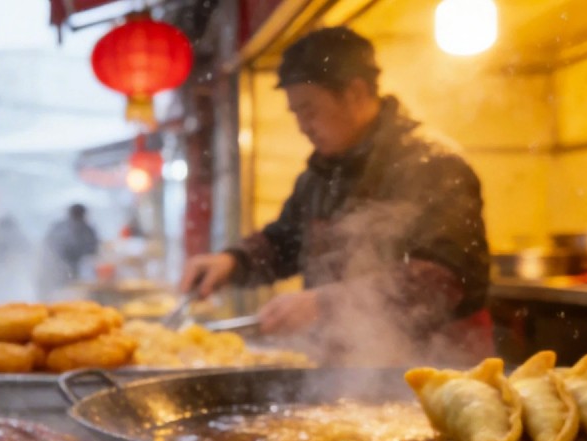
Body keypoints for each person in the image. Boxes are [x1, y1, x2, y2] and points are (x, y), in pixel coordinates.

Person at [180, 27, 492, 366]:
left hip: (437, 367)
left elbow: (441, 280)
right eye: (296, 113)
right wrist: (232, 262)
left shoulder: (434, 165)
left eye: (309, 109)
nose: (302, 125)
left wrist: (323, 304)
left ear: (355, 94)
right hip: (349, 367)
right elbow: (285, 239)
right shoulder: (322, 173)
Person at [39, 203, 100, 299]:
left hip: (55, 270)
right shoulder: (84, 229)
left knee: (58, 295)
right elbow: (93, 249)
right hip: (63, 270)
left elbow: (46, 243)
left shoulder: (58, 226)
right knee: (63, 296)